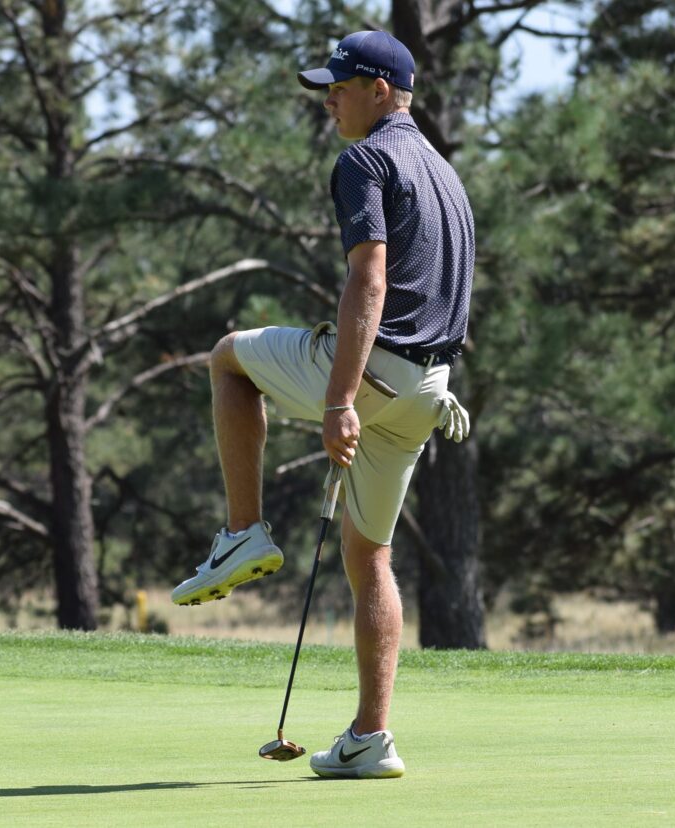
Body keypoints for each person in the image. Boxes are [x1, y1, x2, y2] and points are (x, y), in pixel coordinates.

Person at [172, 30, 475, 779]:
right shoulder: (444, 171)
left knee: (230, 359)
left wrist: (340, 398)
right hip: (426, 391)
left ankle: (244, 532)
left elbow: (369, 283)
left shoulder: (364, 159)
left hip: (375, 376)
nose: (328, 97)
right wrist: (420, 383)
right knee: (370, 554)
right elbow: (444, 287)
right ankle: (371, 739)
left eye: (340, 85)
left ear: (382, 88)